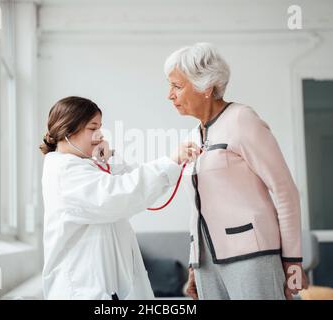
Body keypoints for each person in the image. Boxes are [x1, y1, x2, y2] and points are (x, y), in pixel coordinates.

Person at [164, 43, 309, 300]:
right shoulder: (193, 136)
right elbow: (197, 209)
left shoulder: (242, 120)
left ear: (205, 87)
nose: (169, 95)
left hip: (252, 257)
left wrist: (293, 260)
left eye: (177, 86)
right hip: (207, 263)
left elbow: (285, 190)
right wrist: (194, 263)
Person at [40, 96, 200, 299]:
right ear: (69, 129)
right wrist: (171, 160)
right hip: (83, 291)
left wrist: (109, 158)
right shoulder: (65, 171)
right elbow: (121, 193)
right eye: (92, 128)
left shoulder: (84, 167)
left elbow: (128, 177)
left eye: (100, 128)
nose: (99, 136)